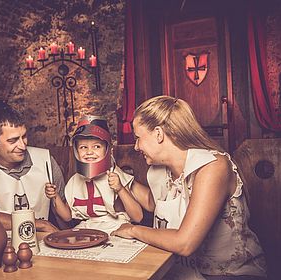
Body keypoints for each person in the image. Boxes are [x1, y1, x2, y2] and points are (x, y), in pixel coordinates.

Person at [111, 96, 267, 279]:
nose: (136, 146)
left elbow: (185, 244)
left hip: (230, 274)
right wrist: (121, 179)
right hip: (186, 271)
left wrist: (132, 230)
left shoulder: (213, 167)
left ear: (159, 134)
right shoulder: (163, 170)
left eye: (138, 138)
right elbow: (152, 203)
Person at [0, 102, 66, 232]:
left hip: (40, 239)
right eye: (12, 140)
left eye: (24, 136)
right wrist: (41, 224)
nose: (23, 146)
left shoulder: (45, 159)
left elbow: (64, 214)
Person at [45, 115, 146, 234]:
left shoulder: (115, 176)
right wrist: (55, 196)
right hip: (88, 229)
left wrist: (120, 189)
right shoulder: (75, 180)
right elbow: (67, 216)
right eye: (83, 147)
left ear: (108, 149)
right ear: (77, 151)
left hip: (117, 228)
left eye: (96, 146)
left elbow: (138, 217)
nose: (89, 152)